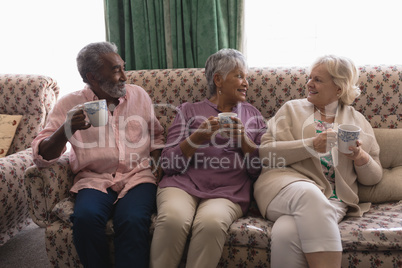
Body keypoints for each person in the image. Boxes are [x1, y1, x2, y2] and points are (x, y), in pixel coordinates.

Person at [32, 42, 165, 268]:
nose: (124, 76)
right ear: (92, 77)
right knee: (85, 219)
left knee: (132, 220)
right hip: (94, 179)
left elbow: (157, 137)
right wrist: (66, 129)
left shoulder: (139, 96)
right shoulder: (69, 104)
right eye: (116, 70)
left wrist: (159, 169)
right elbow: (41, 157)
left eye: (123, 67)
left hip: (137, 176)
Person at [254, 55, 383, 268]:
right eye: (309, 78)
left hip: (333, 199)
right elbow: (266, 154)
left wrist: (361, 157)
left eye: (318, 80)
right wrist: (311, 145)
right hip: (284, 187)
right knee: (308, 193)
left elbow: (374, 178)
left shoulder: (358, 122)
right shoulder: (291, 110)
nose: (309, 84)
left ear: (339, 89)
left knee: (286, 233)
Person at [149, 48, 267, 268]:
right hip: (181, 184)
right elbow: (168, 163)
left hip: (228, 191)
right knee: (173, 220)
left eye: (246, 77)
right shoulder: (188, 111)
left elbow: (257, 170)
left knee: (211, 223)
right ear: (218, 80)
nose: (246, 83)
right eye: (240, 76)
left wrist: (244, 140)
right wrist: (197, 137)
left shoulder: (253, 115)